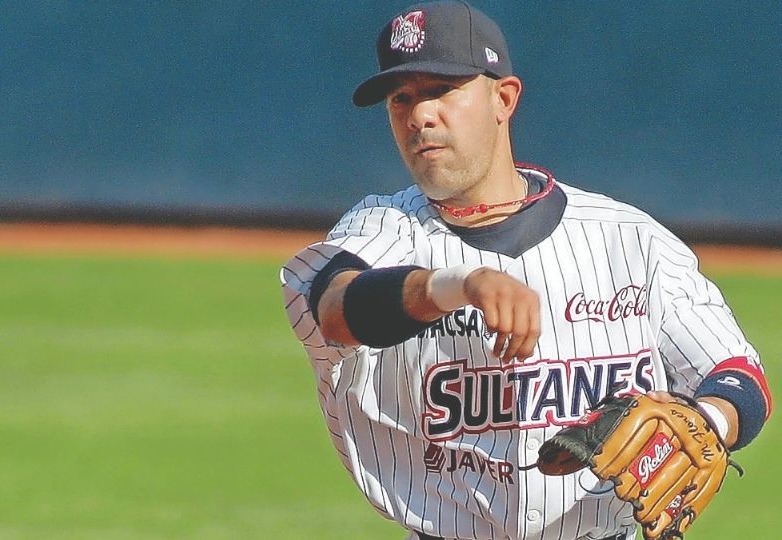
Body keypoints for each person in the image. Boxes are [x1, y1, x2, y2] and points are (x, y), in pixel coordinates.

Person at [279, 2, 772, 539]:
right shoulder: (381, 229)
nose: (420, 115)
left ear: (503, 98)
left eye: (442, 89)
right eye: (402, 98)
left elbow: (738, 375)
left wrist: (709, 420)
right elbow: (337, 309)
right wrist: (455, 284)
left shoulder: (629, 238)